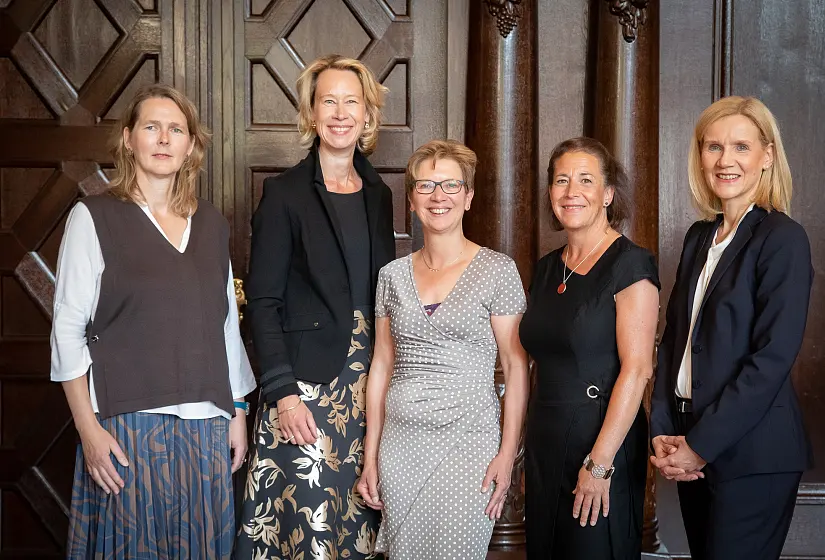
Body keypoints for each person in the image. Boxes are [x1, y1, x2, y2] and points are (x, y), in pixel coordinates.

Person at [51, 84, 256, 558]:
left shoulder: (211, 223)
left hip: (206, 426)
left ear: (190, 145)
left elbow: (224, 325)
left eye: (176, 130)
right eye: (151, 127)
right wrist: (88, 430)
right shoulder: (93, 217)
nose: (164, 139)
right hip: (126, 424)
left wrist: (238, 411)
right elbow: (67, 331)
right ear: (128, 139)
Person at [235, 55, 394, 559]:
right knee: (305, 523)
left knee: (359, 520)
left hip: (369, 383)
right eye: (329, 101)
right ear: (310, 113)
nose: (341, 113)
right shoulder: (283, 194)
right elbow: (264, 301)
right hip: (303, 389)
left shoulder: (380, 194)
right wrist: (283, 394)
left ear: (368, 115)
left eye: (352, 102)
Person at [650, 96, 813, 560]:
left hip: (753, 454)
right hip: (689, 441)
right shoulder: (699, 237)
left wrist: (701, 445)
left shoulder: (783, 238)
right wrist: (663, 427)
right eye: (714, 147)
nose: (726, 160)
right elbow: (674, 341)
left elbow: (772, 359)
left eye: (741, 147)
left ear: (767, 156)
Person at [358, 140, 530, 559]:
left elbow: (515, 366)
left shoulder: (498, 270)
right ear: (411, 200)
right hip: (400, 446)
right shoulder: (391, 275)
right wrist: (371, 454)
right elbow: (381, 365)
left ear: (468, 197)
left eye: (451, 185)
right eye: (426, 185)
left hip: (469, 444)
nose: (439, 196)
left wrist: (508, 454)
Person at [519, 137, 660, 559]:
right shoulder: (547, 268)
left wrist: (599, 464)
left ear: (608, 194)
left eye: (585, 180)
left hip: (600, 442)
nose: (571, 191)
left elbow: (638, 370)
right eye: (561, 180)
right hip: (545, 441)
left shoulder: (630, 263)